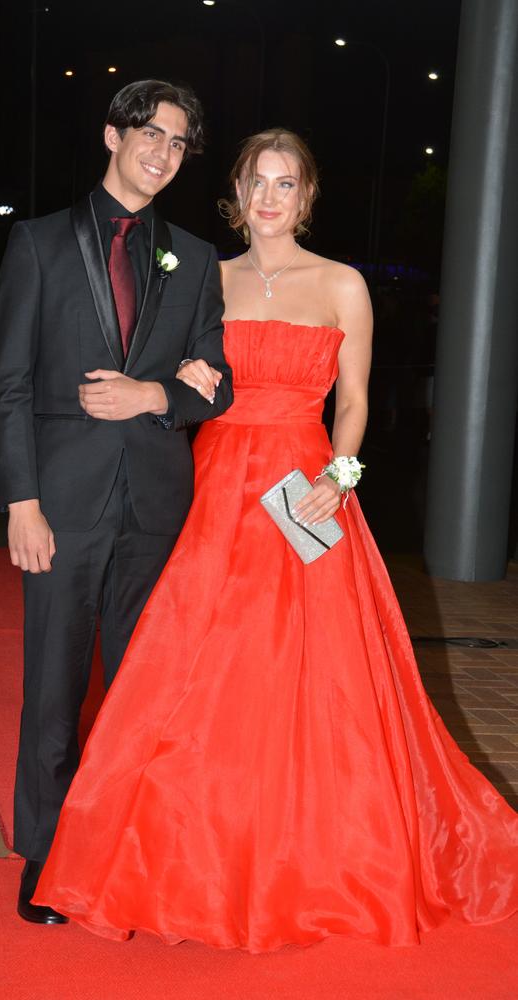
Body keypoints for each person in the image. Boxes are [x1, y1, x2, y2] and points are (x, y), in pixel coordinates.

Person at [33, 129, 518, 951]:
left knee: (315, 680)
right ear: (236, 190)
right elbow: (185, 380)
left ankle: (313, 860)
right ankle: (181, 858)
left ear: (306, 196)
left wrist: (344, 473)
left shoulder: (342, 286)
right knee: (189, 670)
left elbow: (355, 401)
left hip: (305, 488)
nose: (269, 198)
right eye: (258, 182)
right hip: (213, 488)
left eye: (285, 184)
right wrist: (184, 382)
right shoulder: (201, 279)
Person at [0, 79, 233, 924]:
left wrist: (156, 395)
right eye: (150, 135)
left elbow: (215, 382)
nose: (162, 154)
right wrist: (21, 500)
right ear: (112, 135)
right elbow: (10, 386)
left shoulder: (196, 259)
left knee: (142, 693)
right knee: (53, 687)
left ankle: (127, 851)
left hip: (157, 510)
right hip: (58, 504)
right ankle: (47, 857)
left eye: (178, 144)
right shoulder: (40, 244)